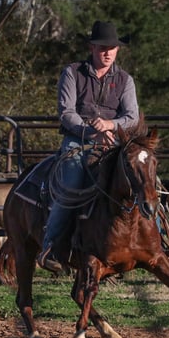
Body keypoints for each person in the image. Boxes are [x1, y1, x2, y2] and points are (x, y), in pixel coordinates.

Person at [37, 20, 139, 274]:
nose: (107, 52)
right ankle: (50, 245)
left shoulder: (125, 80)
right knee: (70, 186)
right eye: (102, 47)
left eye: (112, 48)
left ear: (117, 50)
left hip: (113, 141)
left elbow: (132, 116)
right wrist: (91, 130)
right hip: (78, 141)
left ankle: (154, 242)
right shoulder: (72, 73)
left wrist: (109, 125)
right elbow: (66, 113)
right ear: (92, 48)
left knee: (142, 180)